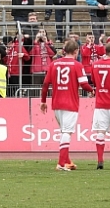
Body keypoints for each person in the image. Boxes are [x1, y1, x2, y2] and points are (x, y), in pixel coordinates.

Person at [40, 40, 94, 171]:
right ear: (76, 51)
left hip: (57, 103)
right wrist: (92, 90)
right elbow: (84, 84)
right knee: (67, 133)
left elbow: (46, 84)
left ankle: (67, 161)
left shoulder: (54, 64)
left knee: (64, 131)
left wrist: (43, 101)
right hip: (70, 103)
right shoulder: (77, 65)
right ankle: (61, 163)